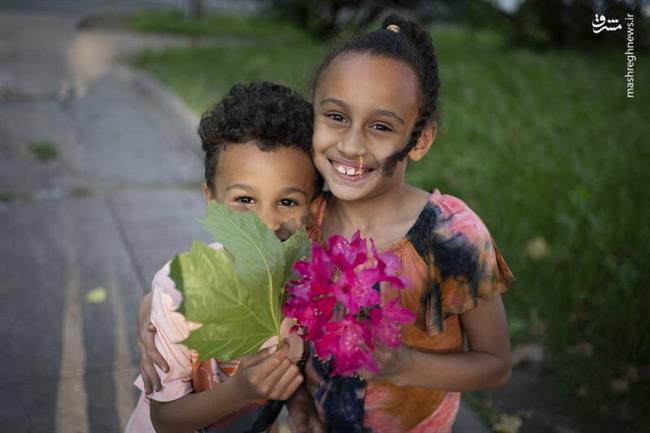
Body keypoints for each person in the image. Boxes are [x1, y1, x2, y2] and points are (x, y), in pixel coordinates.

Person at [141, 14, 515, 433]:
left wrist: (405, 365)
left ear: (420, 139)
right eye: (336, 117)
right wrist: (154, 310)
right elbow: (235, 272)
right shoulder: (305, 215)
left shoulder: (452, 237)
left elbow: (496, 365)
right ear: (315, 114)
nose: (351, 145)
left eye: (380, 126)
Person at [125, 81, 325, 433]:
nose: (265, 223)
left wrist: (300, 404)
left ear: (313, 210)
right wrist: (238, 392)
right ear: (212, 201)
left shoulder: (308, 292)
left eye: (288, 201)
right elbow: (164, 419)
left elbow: (294, 370)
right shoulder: (179, 293)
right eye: (245, 200)